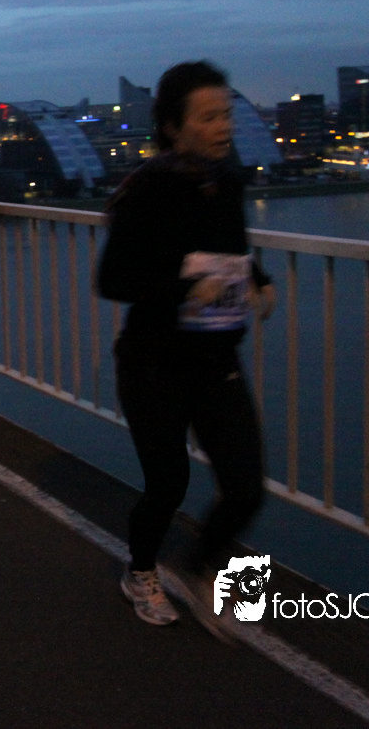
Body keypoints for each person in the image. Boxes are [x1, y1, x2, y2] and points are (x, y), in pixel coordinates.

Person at [96, 60, 275, 635]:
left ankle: (200, 566)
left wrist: (260, 278)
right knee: (168, 483)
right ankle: (140, 571)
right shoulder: (146, 190)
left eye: (227, 113)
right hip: (153, 361)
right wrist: (182, 289)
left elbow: (231, 247)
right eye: (209, 117)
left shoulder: (227, 181)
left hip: (216, 357)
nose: (224, 126)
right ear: (173, 127)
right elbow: (112, 280)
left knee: (246, 487)